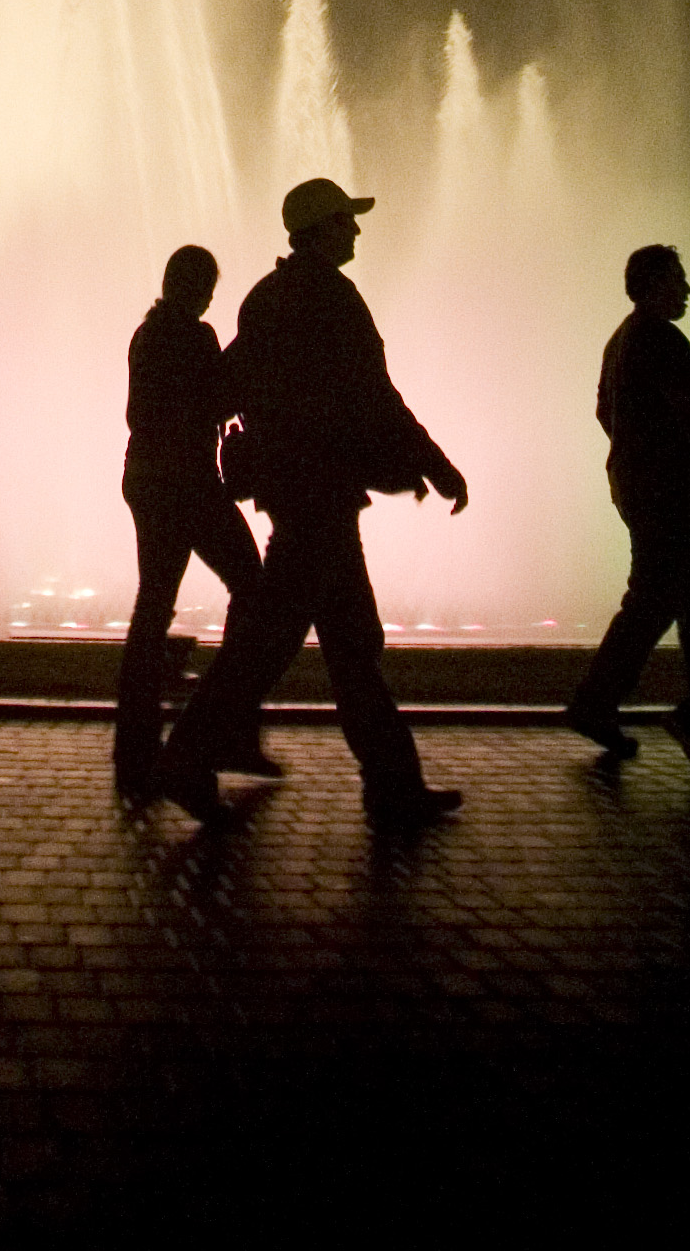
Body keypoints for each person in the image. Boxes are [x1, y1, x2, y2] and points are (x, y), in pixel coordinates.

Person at [146, 178, 471, 831]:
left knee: (352, 642)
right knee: (272, 642)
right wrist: (431, 461)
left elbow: (229, 384)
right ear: (321, 229)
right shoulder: (331, 297)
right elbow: (375, 394)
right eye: (346, 221)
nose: (355, 231)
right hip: (318, 496)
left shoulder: (267, 298)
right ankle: (188, 756)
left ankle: (392, 782)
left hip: (298, 492)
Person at [112, 244, 275, 797]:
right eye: (207, 285)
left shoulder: (145, 334)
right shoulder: (195, 336)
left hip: (146, 482)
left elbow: (139, 413)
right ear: (196, 287)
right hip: (190, 485)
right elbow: (214, 398)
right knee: (251, 587)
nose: (209, 296)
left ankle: (134, 746)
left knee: (153, 603)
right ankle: (228, 723)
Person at [563, 244, 690, 764]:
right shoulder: (660, 337)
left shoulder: (622, 338)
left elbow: (601, 410)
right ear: (655, 283)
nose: (687, 289)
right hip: (663, 491)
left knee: (663, 599)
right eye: (678, 279)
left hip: (636, 485)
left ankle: (605, 702)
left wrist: (630, 449)